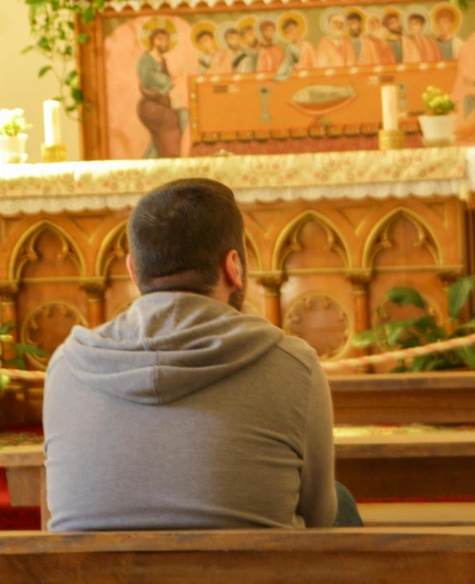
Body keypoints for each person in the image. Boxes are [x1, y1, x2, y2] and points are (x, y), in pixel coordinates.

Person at [43, 178, 363, 531]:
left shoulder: (65, 365)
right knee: (339, 500)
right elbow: (319, 515)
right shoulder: (293, 363)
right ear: (233, 266)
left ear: (134, 271)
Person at [136, 28, 182, 158]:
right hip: (150, 105)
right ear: (152, 40)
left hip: (162, 103)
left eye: (166, 40)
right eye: (160, 39)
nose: (163, 43)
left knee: (158, 140)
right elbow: (147, 78)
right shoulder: (146, 59)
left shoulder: (162, 60)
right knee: (170, 126)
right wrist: (168, 81)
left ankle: (148, 163)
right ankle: (172, 159)